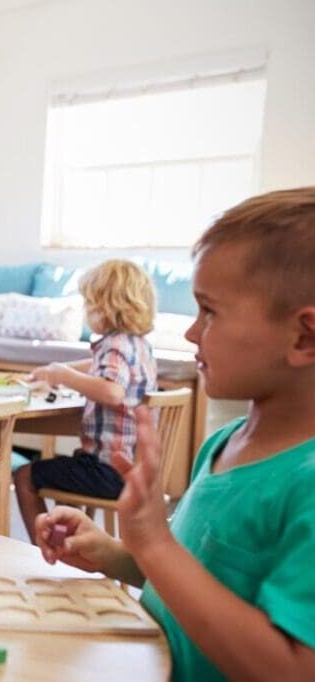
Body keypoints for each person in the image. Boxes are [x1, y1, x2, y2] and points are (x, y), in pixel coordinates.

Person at [35, 188, 315, 681]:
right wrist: (120, 555)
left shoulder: (307, 484)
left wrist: (157, 545)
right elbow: (197, 582)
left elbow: (291, 669)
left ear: (304, 337)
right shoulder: (224, 442)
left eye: (209, 311)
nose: (190, 333)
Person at [14, 259, 157, 539]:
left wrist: (65, 376)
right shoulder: (138, 345)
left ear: (107, 307)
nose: (86, 312)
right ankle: (69, 545)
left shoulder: (114, 345)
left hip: (109, 471)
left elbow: (113, 391)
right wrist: (54, 371)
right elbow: (97, 364)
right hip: (134, 471)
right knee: (66, 473)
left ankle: (42, 549)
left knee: (25, 476)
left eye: (89, 305)